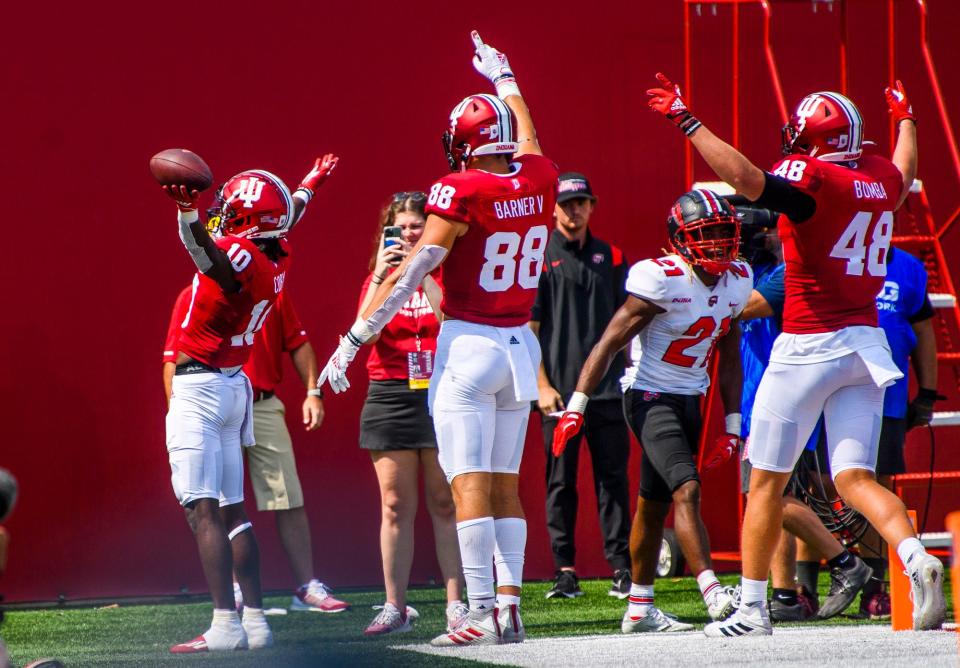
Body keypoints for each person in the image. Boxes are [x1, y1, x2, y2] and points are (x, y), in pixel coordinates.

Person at [646, 73, 945, 635]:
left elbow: (745, 178)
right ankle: (913, 557)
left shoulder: (812, 176)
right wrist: (907, 118)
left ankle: (755, 609)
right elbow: (903, 172)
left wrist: (687, 119)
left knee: (765, 482)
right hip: (866, 346)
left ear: (814, 139)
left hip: (810, 343)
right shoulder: (878, 177)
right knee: (856, 477)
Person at [319, 31, 558, 646]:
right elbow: (528, 139)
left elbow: (411, 274)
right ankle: (509, 607)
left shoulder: (462, 189)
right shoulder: (540, 174)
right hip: (519, 349)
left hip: (471, 345)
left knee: (468, 483)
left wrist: (354, 338)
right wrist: (506, 80)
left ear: (462, 144)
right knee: (505, 484)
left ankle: (477, 612)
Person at [553, 189, 750, 633]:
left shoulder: (739, 279)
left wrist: (733, 425)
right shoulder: (661, 279)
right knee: (688, 488)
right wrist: (576, 406)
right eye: (707, 234)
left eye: (723, 233)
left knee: (652, 505)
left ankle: (639, 606)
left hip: (690, 398)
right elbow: (608, 342)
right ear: (681, 240)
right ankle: (713, 592)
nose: (718, 243)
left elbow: (731, 351)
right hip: (648, 395)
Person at [160, 156, 329, 653]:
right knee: (235, 512)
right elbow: (286, 216)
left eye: (230, 208)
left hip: (202, 386)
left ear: (246, 222)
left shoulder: (239, 258)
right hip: (235, 386)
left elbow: (204, 252)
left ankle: (225, 625)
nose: (222, 211)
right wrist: (308, 186)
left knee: (202, 510)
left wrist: (186, 213)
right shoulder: (278, 252)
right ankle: (255, 621)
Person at [162, 235, 351, 616]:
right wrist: (179, 410)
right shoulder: (195, 294)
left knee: (282, 495)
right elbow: (172, 360)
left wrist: (313, 390)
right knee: (213, 503)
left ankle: (303, 586)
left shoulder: (269, 289)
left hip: (259, 401)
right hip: (214, 400)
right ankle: (233, 593)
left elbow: (297, 342)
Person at [730, 218, 871, 622]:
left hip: (782, 400)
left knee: (771, 497)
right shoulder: (754, 273)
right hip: (757, 400)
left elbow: (745, 307)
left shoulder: (783, 274)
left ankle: (845, 562)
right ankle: (786, 594)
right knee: (764, 499)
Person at [355, 192, 466, 636]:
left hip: (440, 390)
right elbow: (364, 332)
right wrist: (385, 275)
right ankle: (394, 606)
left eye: (416, 227)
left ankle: (457, 605)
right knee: (395, 505)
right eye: (400, 228)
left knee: (445, 501)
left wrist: (421, 271)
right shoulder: (378, 276)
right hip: (389, 392)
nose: (408, 234)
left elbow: (447, 317)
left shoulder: (445, 274)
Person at [530, 172, 632, 600]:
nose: (575, 210)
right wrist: (541, 385)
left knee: (613, 481)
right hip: (558, 394)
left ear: (592, 206)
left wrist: (628, 375)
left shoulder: (611, 257)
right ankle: (565, 571)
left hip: (607, 391)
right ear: (553, 208)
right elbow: (529, 328)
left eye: (582, 202)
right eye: (567, 203)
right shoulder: (538, 256)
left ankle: (622, 569)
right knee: (560, 483)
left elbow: (631, 322)